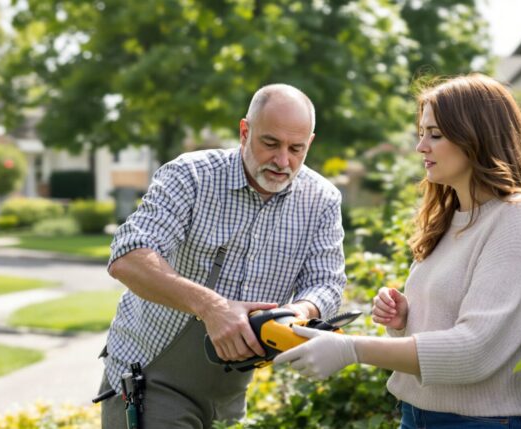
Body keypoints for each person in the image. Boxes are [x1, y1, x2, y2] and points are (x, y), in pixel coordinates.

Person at [274, 74, 521, 428]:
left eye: (435, 135)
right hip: (416, 416)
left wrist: (353, 349)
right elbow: (441, 339)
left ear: (475, 136)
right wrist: (405, 321)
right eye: (421, 134)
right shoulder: (453, 218)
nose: (421, 147)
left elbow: (475, 351)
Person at [98, 83, 347, 428]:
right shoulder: (191, 175)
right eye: (270, 143)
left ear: (310, 144)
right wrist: (212, 307)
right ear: (244, 132)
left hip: (230, 395)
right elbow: (129, 257)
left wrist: (297, 313)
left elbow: (327, 282)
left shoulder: (322, 199)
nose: (282, 160)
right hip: (151, 381)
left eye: (296, 148)